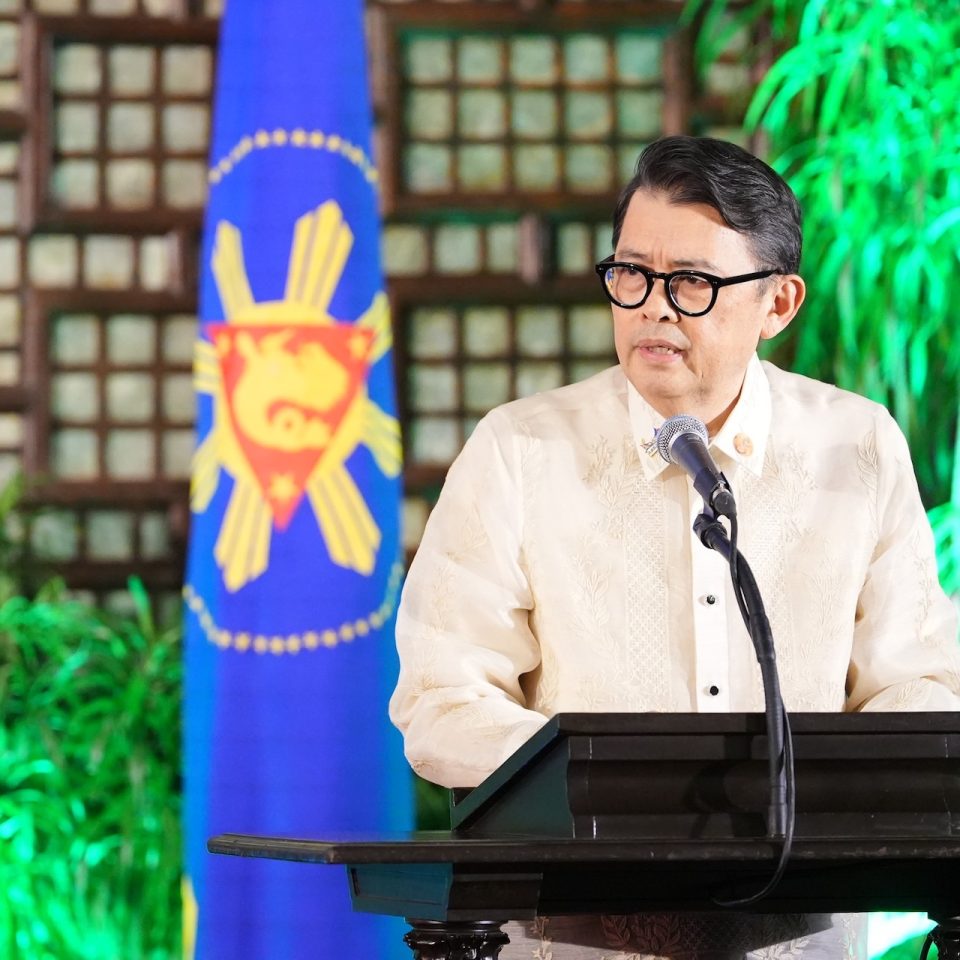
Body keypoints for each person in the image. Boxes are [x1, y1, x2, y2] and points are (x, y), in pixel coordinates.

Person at [388, 136, 960, 960]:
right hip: (576, 934)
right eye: (632, 274)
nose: (653, 306)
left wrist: (829, 789)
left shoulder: (857, 445)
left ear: (779, 305)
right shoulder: (520, 449)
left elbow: (919, 688)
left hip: (801, 931)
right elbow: (440, 701)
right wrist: (615, 787)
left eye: (692, 282)